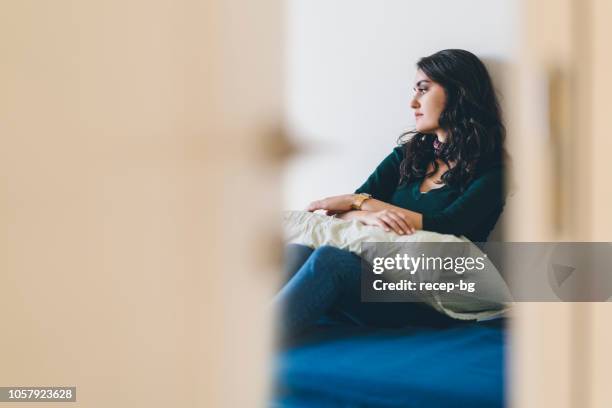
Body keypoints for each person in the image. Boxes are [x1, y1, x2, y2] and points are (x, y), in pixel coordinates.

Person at [274, 49, 509, 339]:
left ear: (458, 93)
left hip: (429, 300)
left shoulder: (494, 171)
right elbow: (344, 214)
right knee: (300, 250)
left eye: (423, 90)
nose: (413, 103)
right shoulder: (408, 156)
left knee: (330, 261)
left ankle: (246, 351)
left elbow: (449, 223)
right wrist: (366, 211)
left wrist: (361, 203)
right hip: (374, 281)